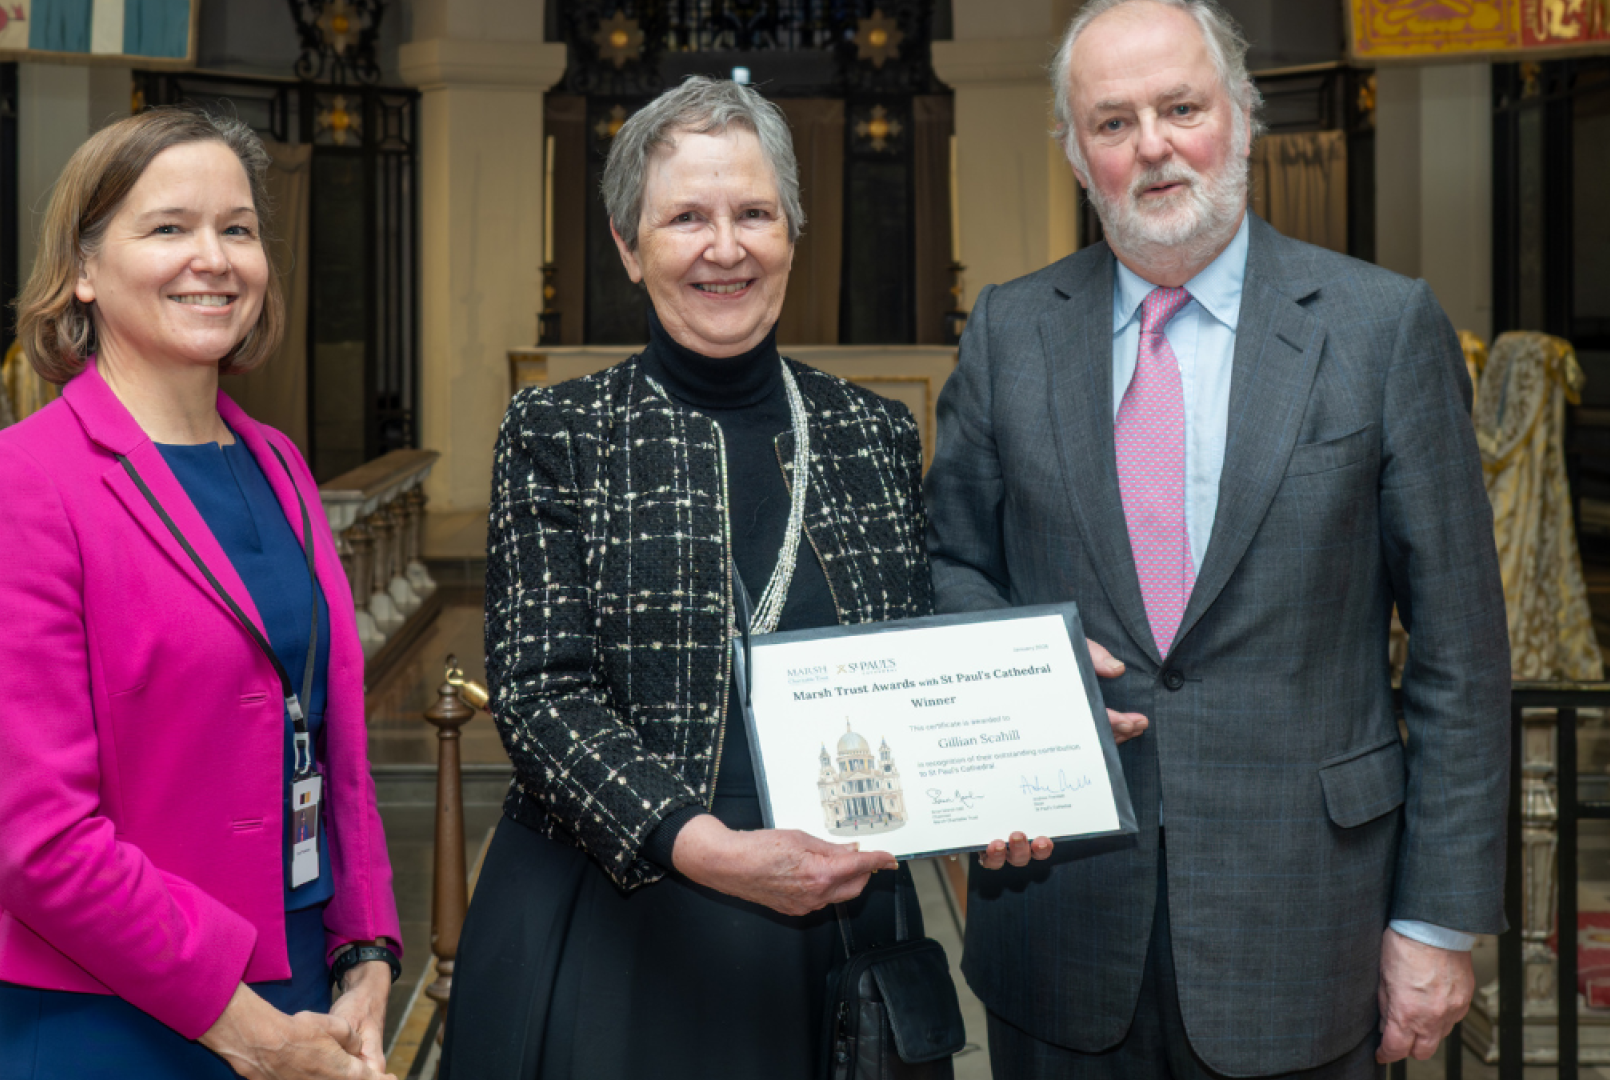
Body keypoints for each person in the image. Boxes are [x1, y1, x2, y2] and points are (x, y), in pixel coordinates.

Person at [923, 2, 1509, 1077]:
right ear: (1074, 152)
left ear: (1242, 117)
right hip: (1059, 926)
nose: (1151, 145)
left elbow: (1462, 655)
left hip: (1308, 927)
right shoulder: (1011, 332)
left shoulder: (1382, 330)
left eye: (1181, 107)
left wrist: (1435, 923)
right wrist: (1023, 666)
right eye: (1111, 122)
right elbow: (949, 562)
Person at [439, 75, 1058, 1080]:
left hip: (839, 924)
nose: (724, 248)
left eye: (754, 214)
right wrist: (704, 846)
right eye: (686, 217)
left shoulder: (872, 431)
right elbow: (542, 695)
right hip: (621, 912)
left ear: (791, 234)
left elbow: (918, 665)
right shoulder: (559, 432)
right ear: (629, 245)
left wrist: (1009, 760)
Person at [0, 108, 403, 1080]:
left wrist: (366, 952)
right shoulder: (12, 484)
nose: (214, 258)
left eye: (238, 229)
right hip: (113, 1013)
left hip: (306, 985)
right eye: (169, 228)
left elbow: (331, 741)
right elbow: (41, 841)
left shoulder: (276, 463)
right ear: (84, 271)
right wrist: (250, 1032)